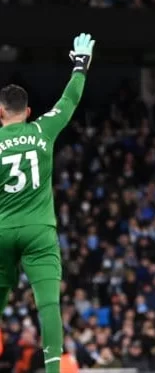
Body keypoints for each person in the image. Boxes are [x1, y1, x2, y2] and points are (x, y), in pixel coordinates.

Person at [0, 33, 95, 373]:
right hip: (39, 231)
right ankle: (54, 370)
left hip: (2, 230)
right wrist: (80, 66)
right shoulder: (41, 130)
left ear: (0, 112)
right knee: (49, 305)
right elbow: (69, 101)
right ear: (27, 111)